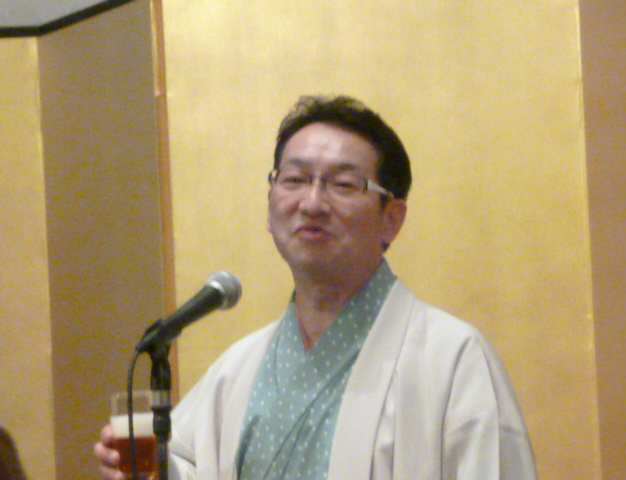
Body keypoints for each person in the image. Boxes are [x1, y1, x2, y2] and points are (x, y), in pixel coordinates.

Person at [95, 95, 537, 479]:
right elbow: (186, 465)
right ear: (270, 207)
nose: (311, 203)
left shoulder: (452, 359)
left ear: (391, 219)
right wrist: (150, 470)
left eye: (343, 184)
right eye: (294, 180)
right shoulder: (238, 370)